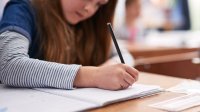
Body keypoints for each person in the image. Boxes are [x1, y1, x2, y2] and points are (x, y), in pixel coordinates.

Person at [0, 0, 139, 90]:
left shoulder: (90, 23)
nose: (89, 9)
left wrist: (113, 66)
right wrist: (93, 75)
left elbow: (125, 55)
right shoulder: (23, 8)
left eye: (98, 4)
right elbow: (8, 65)